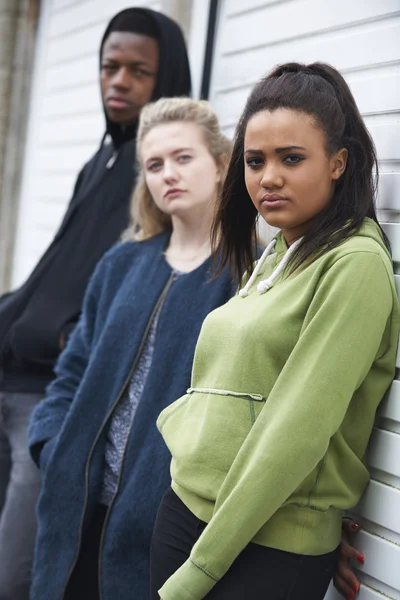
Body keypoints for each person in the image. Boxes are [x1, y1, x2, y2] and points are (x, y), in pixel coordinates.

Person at [151, 62, 400, 600]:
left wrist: (201, 569)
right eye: (254, 161)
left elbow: (296, 431)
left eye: (292, 158)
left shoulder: (354, 263)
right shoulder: (276, 255)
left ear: (338, 163)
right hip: (186, 514)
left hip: (257, 548)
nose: (268, 178)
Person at [0, 7, 190, 598]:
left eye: (138, 70)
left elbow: (139, 297)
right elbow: (54, 272)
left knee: (20, 574)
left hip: (51, 398)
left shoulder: (158, 174)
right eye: (110, 67)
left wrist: (63, 345)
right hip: (13, 381)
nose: (119, 81)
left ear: (168, 79)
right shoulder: (99, 161)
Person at [28, 97, 234, 600]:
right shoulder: (121, 264)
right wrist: (52, 445)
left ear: (222, 163)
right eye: (155, 165)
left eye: (184, 158)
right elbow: (71, 370)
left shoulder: (243, 276)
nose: (169, 174)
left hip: (164, 525)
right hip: (75, 508)